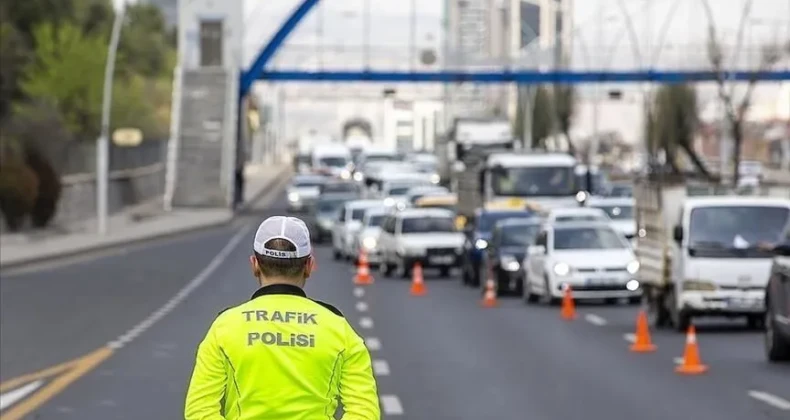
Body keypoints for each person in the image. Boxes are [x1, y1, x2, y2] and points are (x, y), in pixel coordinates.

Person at [184, 216, 381, 419]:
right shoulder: (338, 328)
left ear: (254, 265)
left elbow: (199, 411)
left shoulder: (225, 327)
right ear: (309, 266)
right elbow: (364, 411)